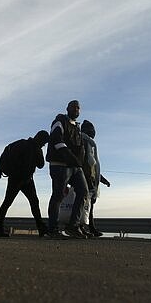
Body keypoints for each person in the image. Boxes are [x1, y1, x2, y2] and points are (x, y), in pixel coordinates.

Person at [0, 130, 50, 237]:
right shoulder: (25, 145)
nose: (43, 145)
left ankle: (41, 228)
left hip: (24, 180)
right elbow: (40, 165)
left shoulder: (28, 146)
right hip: (19, 180)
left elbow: (40, 164)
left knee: (31, 202)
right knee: (11, 202)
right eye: (44, 142)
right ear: (40, 138)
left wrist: (39, 151)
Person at [46, 100, 89, 239]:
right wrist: (68, 156)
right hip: (60, 165)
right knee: (58, 195)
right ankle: (52, 229)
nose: (76, 109)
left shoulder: (77, 127)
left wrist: (79, 162)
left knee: (83, 191)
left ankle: (73, 226)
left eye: (78, 108)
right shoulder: (59, 121)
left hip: (76, 167)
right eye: (73, 107)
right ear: (67, 108)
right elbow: (56, 140)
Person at [80, 120, 110, 237]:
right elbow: (89, 164)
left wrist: (103, 180)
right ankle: (83, 227)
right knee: (84, 206)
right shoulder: (86, 142)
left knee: (89, 207)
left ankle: (90, 227)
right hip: (88, 179)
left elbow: (94, 167)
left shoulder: (90, 143)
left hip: (92, 180)